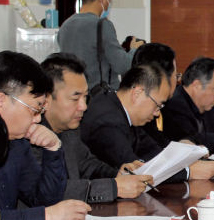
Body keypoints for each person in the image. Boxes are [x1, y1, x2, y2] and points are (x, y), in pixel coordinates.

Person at [0, 52, 90, 220]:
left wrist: (53, 149)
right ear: (1, 101)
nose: (38, 119)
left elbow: (43, 200)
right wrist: (45, 216)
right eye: (34, 109)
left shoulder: (17, 142)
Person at [39, 53, 153, 203]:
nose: (83, 106)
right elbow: (49, 191)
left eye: (85, 97)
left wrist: (119, 175)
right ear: (46, 99)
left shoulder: (69, 129)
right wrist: (114, 187)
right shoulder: (30, 135)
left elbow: (88, 165)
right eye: (75, 98)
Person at [80, 63, 214, 181]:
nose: (157, 113)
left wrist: (184, 156)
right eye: (157, 105)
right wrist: (188, 172)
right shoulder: (107, 121)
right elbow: (136, 171)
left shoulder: (124, 111)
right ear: (137, 93)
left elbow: (152, 152)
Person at [57, 0, 145, 91]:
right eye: (110, 0)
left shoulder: (65, 26)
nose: (109, 5)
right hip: (101, 96)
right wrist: (135, 50)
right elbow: (122, 65)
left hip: (75, 94)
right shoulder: (102, 25)